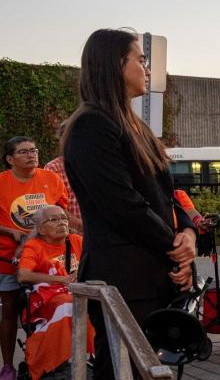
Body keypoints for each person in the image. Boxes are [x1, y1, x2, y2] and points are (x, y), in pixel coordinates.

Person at [62, 28, 197, 379]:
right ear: (114, 64)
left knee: (157, 368)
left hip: (156, 276)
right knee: (123, 370)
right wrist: (175, 248)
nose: (147, 68)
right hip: (124, 281)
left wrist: (188, 233)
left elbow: (168, 195)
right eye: (141, 59)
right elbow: (123, 205)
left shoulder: (136, 126)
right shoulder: (91, 125)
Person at [0, 136, 68, 380]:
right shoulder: (1, 183)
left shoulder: (50, 179)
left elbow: (64, 212)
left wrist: (84, 228)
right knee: (9, 312)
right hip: (8, 259)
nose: (31, 155)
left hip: (47, 259)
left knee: (46, 308)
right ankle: (7, 365)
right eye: (23, 152)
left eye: (34, 150)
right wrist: (11, 232)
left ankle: (46, 361)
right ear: (10, 159)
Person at [16, 205, 94, 380]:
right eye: (54, 219)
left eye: (63, 218)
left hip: (79, 292)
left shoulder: (77, 240)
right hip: (49, 299)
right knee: (66, 304)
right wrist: (63, 280)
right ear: (41, 229)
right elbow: (23, 275)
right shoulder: (34, 246)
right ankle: (61, 358)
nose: (61, 223)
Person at [44, 121, 83, 234]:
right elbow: (53, 205)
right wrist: (82, 225)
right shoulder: (53, 168)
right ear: (62, 140)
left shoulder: (97, 165)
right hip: (68, 235)